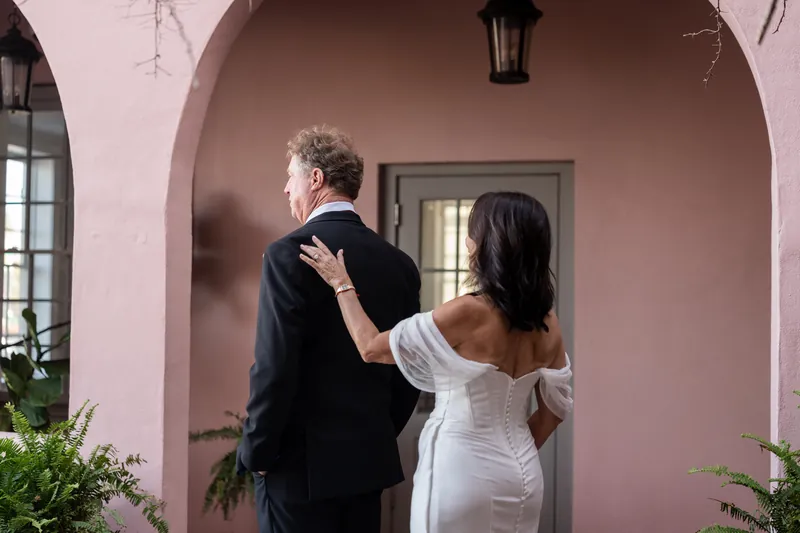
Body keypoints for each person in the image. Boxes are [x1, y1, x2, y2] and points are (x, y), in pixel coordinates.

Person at [299, 191, 573, 533]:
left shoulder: (469, 311)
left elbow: (370, 347)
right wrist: (507, 452)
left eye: (472, 233)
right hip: (523, 478)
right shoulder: (548, 322)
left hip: (461, 472)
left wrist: (341, 283)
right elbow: (554, 412)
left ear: (484, 245)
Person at [236, 126, 422, 533]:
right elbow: (410, 370)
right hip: (366, 464)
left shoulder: (289, 253)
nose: (287, 189)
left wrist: (258, 453)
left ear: (316, 178)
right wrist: (373, 432)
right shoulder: (400, 264)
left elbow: (274, 365)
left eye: (291, 176)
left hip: (297, 468)